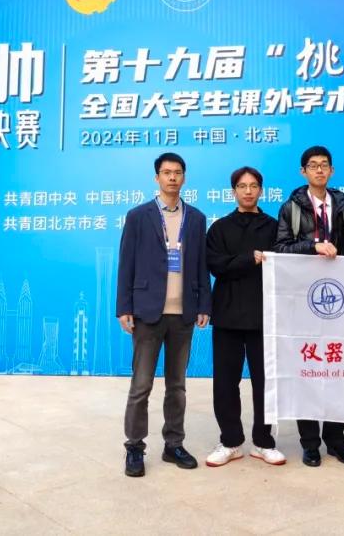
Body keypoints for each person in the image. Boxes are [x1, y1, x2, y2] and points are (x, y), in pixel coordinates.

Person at [116, 153, 210, 477]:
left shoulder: (196, 218)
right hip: (147, 312)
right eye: (166, 172)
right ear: (156, 177)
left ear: (184, 177)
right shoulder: (138, 216)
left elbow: (201, 264)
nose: (172, 177)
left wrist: (204, 305)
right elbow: (126, 263)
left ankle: (174, 444)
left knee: (177, 386)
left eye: (177, 172)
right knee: (141, 385)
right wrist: (124, 307)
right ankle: (134, 447)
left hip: (183, 313)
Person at [275, 145, 344, 467]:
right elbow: (281, 248)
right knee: (307, 370)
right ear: (303, 172)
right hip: (302, 299)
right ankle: (310, 444)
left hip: (340, 299)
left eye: (324, 165)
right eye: (313, 165)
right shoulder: (291, 208)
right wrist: (314, 246)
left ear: (332, 171)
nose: (319, 170)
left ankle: (336, 440)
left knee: (338, 368)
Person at [204, 166, 286, 468]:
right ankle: (230, 441)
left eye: (253, 186)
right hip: (227, 315)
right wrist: (248, 259)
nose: (248, 191)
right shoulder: (220, 228)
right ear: (234, 191)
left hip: (265, 316)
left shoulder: (274, 226)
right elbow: (215, 265)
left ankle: (263, 442)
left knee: (265, 382)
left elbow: (285, 264)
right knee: (226, 382)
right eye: (242, 186)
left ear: (261, 190)